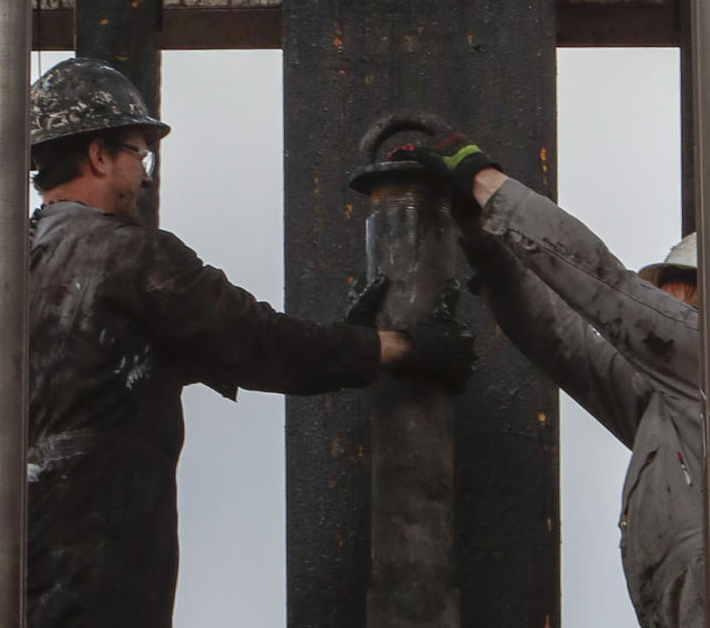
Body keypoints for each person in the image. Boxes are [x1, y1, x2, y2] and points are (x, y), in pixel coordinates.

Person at [26, 58, 475, 628]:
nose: (145, 174)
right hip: (99, 547)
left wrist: (349, 340)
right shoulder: (132, 255)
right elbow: (259, 342)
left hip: (14, 549)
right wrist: (402, 347)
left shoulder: (4, 270)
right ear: (98, 155)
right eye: (139, 152)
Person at [396, 131, 703, 627]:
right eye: (664, 294)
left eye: (681, 292)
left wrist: (485, 184)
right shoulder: (662, 405)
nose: (669, 308)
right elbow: (558, 337)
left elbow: (604, 284)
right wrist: (484, 243)